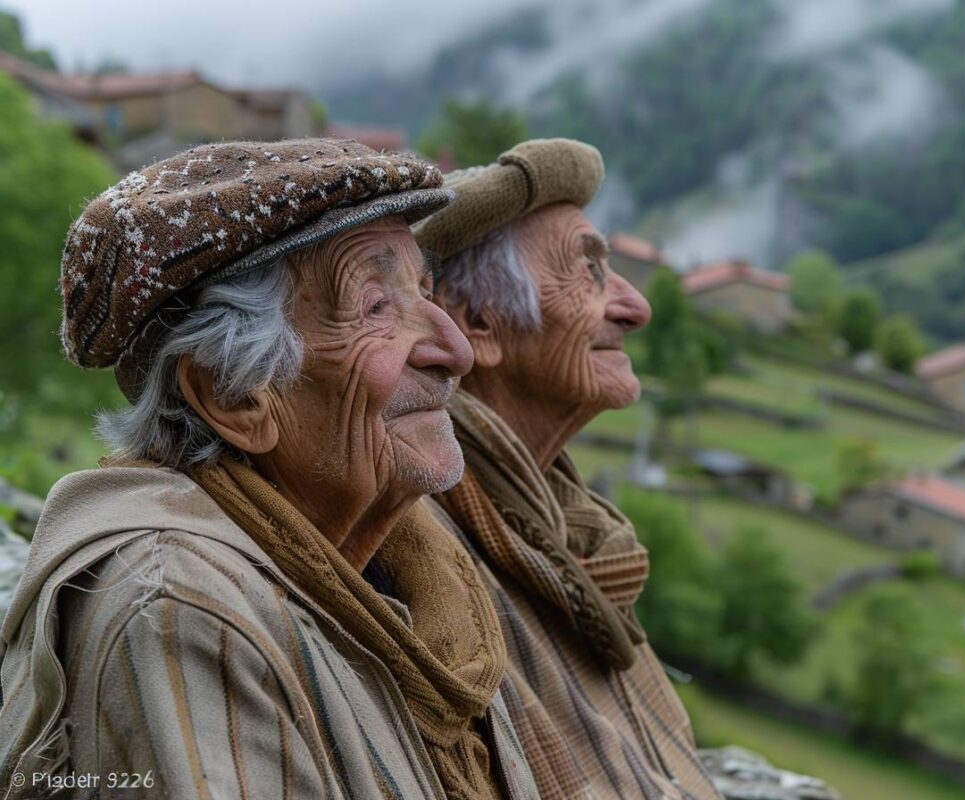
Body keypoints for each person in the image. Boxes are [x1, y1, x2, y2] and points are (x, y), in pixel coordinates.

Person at [0, 139, 537, 800]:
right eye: (376, 308)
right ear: (233, 396)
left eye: (422, 292)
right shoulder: (179, 614)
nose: (455, 350)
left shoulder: (420, 578)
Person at [415, 139, 722, 800]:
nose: (636, 308)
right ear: (477, 324)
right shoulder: (431, 565)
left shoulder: (564, 540)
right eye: (590, 272)